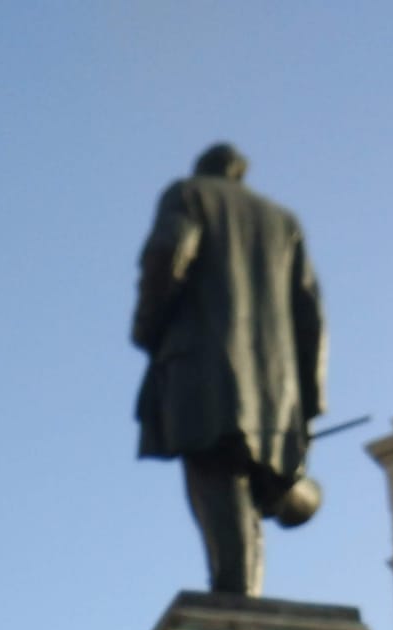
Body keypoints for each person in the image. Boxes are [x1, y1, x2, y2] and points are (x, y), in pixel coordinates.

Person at [131, 142, 326, 597]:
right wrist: (308, 405)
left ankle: (234, 601)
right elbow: (310, 316)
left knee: (214, 477)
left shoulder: (189, 194)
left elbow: (168, 252)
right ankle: (239, 596)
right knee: (243, 493)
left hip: (203, 367)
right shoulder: (283, 222)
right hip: (275, 389)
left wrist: (147, 326)